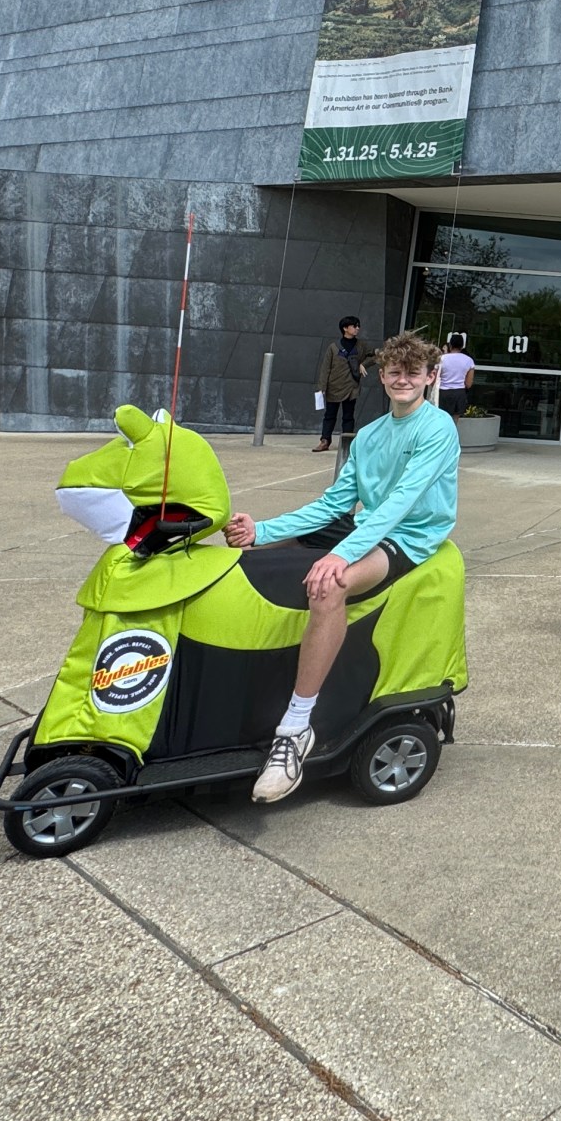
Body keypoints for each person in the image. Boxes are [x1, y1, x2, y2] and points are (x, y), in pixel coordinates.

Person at [227, 331, 459, 802]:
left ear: (431, 377)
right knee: (246, 559)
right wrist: (261, 531)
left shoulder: (437, 429)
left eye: (414, 373)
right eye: (395, 371)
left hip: (407, 536)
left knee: (329, 586)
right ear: (381, 374)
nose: (403, 380)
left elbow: (400, 504)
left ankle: (295, 729)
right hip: (366, 525)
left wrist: (342, 555)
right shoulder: (370, 435)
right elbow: (334, 503)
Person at [314, 316, 373, 453]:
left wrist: (364, 364)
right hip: (333, 387)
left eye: (358, 326)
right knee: (330, 415)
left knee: (348, 416)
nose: (357, 328)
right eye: (354, 326)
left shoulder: (361, 346)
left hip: (352, 387)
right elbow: (325, 368)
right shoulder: (334, 347)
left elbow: (375, 355)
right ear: (345, 328)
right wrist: (322, 387)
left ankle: (348, 444)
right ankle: (325, 440)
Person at [436, 333, 475, 419]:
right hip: (459, 393)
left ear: (450, 345)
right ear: (462, 346)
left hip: (443, 392)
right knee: (454, 421)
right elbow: (468, 384)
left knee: (440, 419)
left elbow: (434, 378)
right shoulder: (469, 360)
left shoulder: (441, 359)